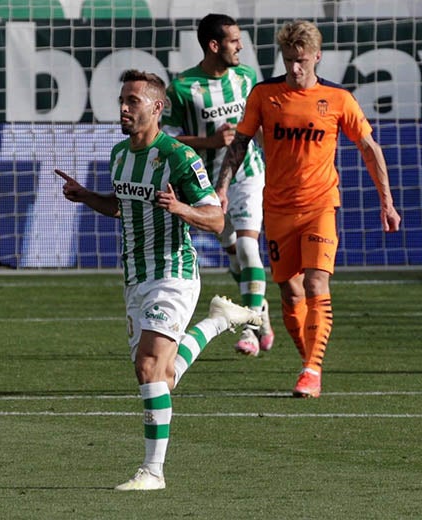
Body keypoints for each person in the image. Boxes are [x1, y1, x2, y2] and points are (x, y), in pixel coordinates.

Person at [58, 69, 261, 491]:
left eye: (133, 101)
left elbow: (216, 217)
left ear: (157, 107)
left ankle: (153, 472)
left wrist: (181, 208)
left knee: (149, 366)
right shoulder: (119, 155)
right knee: (160, 378)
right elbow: (121, 206)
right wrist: (86, 197)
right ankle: (219, 321)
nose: (124, 108)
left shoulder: (178, 157)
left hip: (173, 273)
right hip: (135, 276)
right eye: (122, 100)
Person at [216, 19, 401, 398]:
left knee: (317, 282)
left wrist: (387, 201)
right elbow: (240, 144)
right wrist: (222, 188)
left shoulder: (338, 99)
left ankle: (312, 369)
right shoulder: (264, 95)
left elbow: (369, 149)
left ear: (317, 56)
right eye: (288, 61)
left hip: (321, 205)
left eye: (301, 60)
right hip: (279, 209)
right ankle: (308, 361)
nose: (295, 68)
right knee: (290, 293)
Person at [162, 13, 274, 357]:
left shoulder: (246, 77)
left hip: (248, 175)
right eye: (233, 41)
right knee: (236, 259)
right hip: (205, 184)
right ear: (214, 45)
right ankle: (262, 309)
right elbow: (167, 139)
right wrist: (209, 142)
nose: (241, 46)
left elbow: (257, 127)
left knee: (248, 250)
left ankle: (252, 329)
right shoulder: (181, 88)